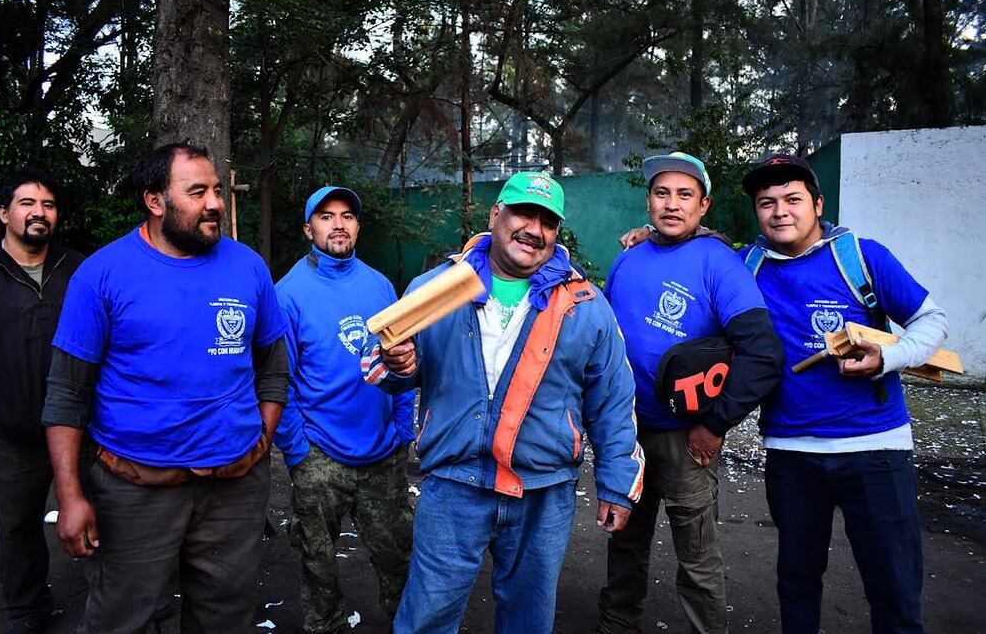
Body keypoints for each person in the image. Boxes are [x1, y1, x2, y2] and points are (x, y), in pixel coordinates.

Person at [360, 171, 644, 634]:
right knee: (426, 618)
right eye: (522, 214)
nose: (534, 229)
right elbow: (375, 367)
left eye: (547, 222)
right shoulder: (439, 287)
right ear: (496, 214)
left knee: (528, 623)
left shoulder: (584, 304)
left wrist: (617, 483)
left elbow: (613, 398)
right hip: (454, 484)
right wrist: (399, 363)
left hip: (543, 490)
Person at [41, 143, 290, 633]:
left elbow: (273, 367)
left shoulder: (248, 267)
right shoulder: (102, 274)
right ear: (155, 201)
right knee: (121, 617)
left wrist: (260, 441)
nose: (215, 203)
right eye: (197, 192)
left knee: (225, 617)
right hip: (134, 489)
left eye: (216, 190)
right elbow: (66, 394)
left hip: (233, 488)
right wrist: (70, 496)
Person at [739, 154, 947, 634]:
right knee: (796, 584)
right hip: (790, 452)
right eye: (766, 203)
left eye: (792, 199)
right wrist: (649, 238)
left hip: (875, 449)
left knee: (894, 590)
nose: (780, 211)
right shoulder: (746, 266)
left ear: (817, 203)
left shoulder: (861, 255)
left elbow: (930, 320)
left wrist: (887, 358)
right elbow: (697, 263)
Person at [596, 152, 784, 634]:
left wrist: (714, 424)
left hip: (687, 440)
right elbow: (604, 342)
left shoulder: (718, 262)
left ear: (704, 206)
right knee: (625, 546)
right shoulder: (628, 258)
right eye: (662, 193)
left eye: (685, 195)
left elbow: (763, 353)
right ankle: (617, 626)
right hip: (627, 436)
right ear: (648, 202)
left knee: (697, 560)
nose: (672, 204)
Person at [273, 185, 416, 633]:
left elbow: (403, 359)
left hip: (382, 454)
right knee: (318, 563)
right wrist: (298, 451)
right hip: (321, 457)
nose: (338, 224)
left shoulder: (379, 284)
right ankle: (327, 624)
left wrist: (401, 428)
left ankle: (408, 623)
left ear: (357, 225)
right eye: (326, 216)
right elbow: (281, 381)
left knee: (399, 556)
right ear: (308, 228)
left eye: (347, 216)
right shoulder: (288, 294)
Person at [0, 169, 83, 634]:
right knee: (20, 526)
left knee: (100, 512)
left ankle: (117, 601)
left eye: (47, 205)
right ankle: (27, 611)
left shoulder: (78, 269)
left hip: (82, 426)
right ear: (5, 213)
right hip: (14, 431)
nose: (39, 213)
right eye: (27, 204)